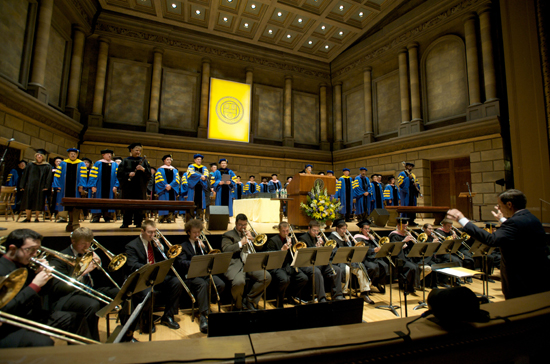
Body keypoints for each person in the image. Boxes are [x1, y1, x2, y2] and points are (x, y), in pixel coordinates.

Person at [447, 189, 550, 299]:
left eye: (500, 205)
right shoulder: (532, 218)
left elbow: (492, 239)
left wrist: (462, 219)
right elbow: (517, 232)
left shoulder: (514, 223)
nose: (499, 208)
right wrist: (502, 219)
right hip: (538, 274)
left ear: (509, 204)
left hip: (521, 278)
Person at [0, 229, 90, 347]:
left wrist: (46, 277)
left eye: (37, 250)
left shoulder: (25, 263)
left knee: (76, 319)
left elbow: (45, 293)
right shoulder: (2, 270)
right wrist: (34, 285)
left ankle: (86, 355)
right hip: (10, 325)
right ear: (12, 249)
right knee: (44, 342)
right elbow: (6, 309)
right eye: (30, 250)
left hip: (31, 316)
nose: (34, 255)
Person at [47, 227, 119, 342]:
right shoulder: (60, 258)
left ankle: (126, 333)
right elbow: (58, 287)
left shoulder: (89, 253)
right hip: (68, 296)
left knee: (122, 293)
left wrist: (98, 266)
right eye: (83, 244)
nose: (87, 247)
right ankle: (91, 341)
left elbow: (97, 282)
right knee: (92, 304)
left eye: (89, 243)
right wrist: (83, 271)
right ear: (73, 241)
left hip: (88, 290)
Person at [123, 220, 183, 336]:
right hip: (142, 279)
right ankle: (147, 320)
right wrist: (151, 267)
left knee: (176, 282)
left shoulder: (155, 243)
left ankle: (168, 316)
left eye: (154, 232)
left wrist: (161, 248)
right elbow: (132, 265)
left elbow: (166, 259)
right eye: (150, 232)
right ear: (142, 231)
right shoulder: (132, 246)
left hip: (156, 276)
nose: (153, 235)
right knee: (149, 293)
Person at [174, 219, 225, 334]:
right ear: (188, 232)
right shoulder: (183, 246)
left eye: (199, 232)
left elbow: (209, 259)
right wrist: (195, 261)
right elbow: (181, 263)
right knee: (202, 284)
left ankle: (205, 304)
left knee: (220, 284)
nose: (197, 235)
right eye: (194, 232)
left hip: (204, 273)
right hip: (191, 276)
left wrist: (205, 249)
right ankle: (203, 316)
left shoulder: (202, 245)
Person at [221, 214, 271, 310]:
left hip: (251, 263)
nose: (243, 227)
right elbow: (226, 250)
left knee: (266, 277)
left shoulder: (250, 233)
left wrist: (253, 240)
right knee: (239, 282)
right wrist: (240, 243)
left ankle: (250, 300)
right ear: (235, 223)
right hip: (237, 265)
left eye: (245, 225)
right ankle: (239, 305)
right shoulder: (228, 235)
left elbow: (260, 247)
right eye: (240, 225)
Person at [329, 219, 374, 304]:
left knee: (360, 266)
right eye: (342, 229)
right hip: (337, 261)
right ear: (337, 229)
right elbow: (333, 253)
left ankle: (364, 292)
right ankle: (343, 292)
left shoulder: (345, 237)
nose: (344, 231)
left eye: (345, 229)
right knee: (345, 269)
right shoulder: (332, 238)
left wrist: (348, 243)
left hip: (348, 259)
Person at [298, 220, 344, 302]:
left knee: (337, 270)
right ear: (309, 229)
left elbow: (327, 254)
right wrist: (315, 247)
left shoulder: (320, 238)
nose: (316, 233)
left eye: (317, 230)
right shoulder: (303, 238)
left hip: (320, 263)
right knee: (316, 272)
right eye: (314, 230)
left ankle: (337, 295)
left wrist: (323, 246)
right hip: (307, 264)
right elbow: (304, 256)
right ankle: (322, 298)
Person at [265, 222, 308, 307]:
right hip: (277, 267)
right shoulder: (272, 241)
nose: (285, 233)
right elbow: (272, 259)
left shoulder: (291, 239)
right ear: (279, 230)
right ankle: (279, 301)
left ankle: (290, 295)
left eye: (287, 231)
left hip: (289, 266)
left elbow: (294, 254)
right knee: (285, 279)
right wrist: (282, 251)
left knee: (303, 278)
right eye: (283, 231)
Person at [116, 143, 152, 228]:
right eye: (136, 150)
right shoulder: (125, 161)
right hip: (128, 187)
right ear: (131, 150)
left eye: (139, 151)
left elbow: (149, 175)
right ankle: (126, 222)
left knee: (139, 205)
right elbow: (119, 174)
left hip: (140, 187)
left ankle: (138, 222)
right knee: (127, 205)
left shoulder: (144, 161)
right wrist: (128, 174)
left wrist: (143, 169)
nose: (138, 152)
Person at [53, 148, 88, 223]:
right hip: (64, 186)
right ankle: (63, 217)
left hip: (76, 187)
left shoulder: (81, 163)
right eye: (71, 154)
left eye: (74, 154)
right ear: (68, 155)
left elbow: (83, 175)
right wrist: (57, 185)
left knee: (75, 201)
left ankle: (75, 217)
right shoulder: (63, 163)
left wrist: (81, 185)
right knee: (63, 200)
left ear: (77, 155)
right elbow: (57, 175)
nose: (73, 155)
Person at [353, 220, 388, 294]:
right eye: (366, 229)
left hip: (375, 257)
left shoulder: (371, 237)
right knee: (373, 267)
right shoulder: (358, 238)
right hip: (366, 258)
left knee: (385, 266)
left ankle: (378, 283)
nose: (367, 230)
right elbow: (361, 249)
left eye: (368, 229)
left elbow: (379, 244)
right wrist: (372, 250)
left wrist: (374, 239)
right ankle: (368, 285)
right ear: (361, 229)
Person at [18, 149, 53, 223]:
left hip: (41, 186)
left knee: (39, 202)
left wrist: (47, 186)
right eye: (38, 155)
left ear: (43, 157)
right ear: (35, 156)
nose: (39, 156)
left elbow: (49, 177)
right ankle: (28, 218)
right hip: (30, 186)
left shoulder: (47, 166)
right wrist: (22, 186)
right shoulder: (30, 165)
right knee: (28, 201)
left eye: (40, 155)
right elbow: (25, 175)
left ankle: (37, 218)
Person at [388, 217, 421, 294]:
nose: (406, 228)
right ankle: (407, 285)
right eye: (404, 226)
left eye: (407, 226)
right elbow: (394, 249)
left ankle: (410, 285)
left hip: (408, 257)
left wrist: (413, 240)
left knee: (417, 266)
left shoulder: (406, 234)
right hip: (399, 258)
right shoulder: (394, 235)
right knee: (412, 267)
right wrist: (403, 241)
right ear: (398, 226)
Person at [88, 149, 119, 223]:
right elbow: (93, 175)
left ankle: (107, 217)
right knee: (97, 201)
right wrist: (93, 185)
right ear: (103, 155)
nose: (109, 155)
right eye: (108, 154)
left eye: (110, 154)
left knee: (108, 202)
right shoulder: (98, 163)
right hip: (99, 186)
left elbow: (117, 176)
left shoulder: (114, 164)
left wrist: (116, 185)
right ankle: (96, 217)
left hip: (110, 186)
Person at [155, 155, 180, 223]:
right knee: (163, 203)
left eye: (170, 160)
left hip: (171, 188)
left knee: (171, 203)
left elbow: (176, 179)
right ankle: (161, 218)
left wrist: (170, 185)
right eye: (167, 160)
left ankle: (169, 217)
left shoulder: (174, 170)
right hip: (163, 189)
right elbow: (159, 179)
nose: (169, 161)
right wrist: (165, 185)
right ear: (164, 161)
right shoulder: (160, 169)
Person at [186, 154, 209, 221]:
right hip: (193, 187)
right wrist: (200, 176)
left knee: (200, 202)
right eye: (198, 159)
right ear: (195, 160)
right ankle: (191, 217)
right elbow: (191, 174)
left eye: (200, 160)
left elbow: (206, 174)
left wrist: (202, 176)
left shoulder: (204, 167)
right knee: (192, 202)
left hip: (201, 187)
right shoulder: (191, 166)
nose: (199, 161)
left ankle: (199, 217)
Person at [398, 162, 421, 226]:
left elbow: (417, 182)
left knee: (413, 207)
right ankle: (404, 221)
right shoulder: (402, 173)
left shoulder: (413, 175)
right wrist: (408, 178)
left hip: (412, 193)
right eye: (408, 166)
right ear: (405, 167)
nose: (410, 168)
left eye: (411, 166)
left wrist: (416, 184)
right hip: (406, 193)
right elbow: (400, 183)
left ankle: (411, 221)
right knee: (406, 206)